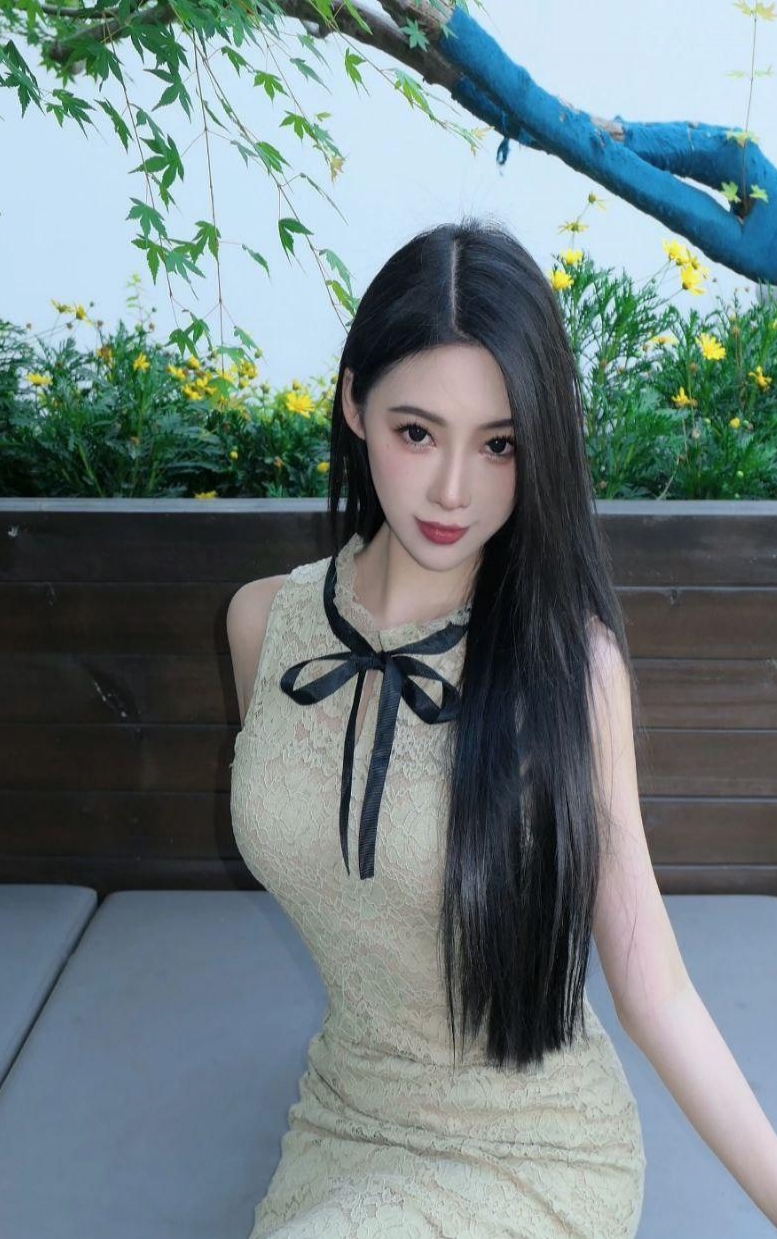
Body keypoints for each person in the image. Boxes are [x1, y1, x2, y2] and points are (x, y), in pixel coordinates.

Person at [227, 217, 661, 1239]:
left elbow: (657, 988)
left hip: (541, 1149)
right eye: (416, 432)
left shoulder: (569, 664)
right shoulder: (262, 625)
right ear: (354, 404)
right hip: (342, 1117)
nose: (454, 491)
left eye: (499, 444)